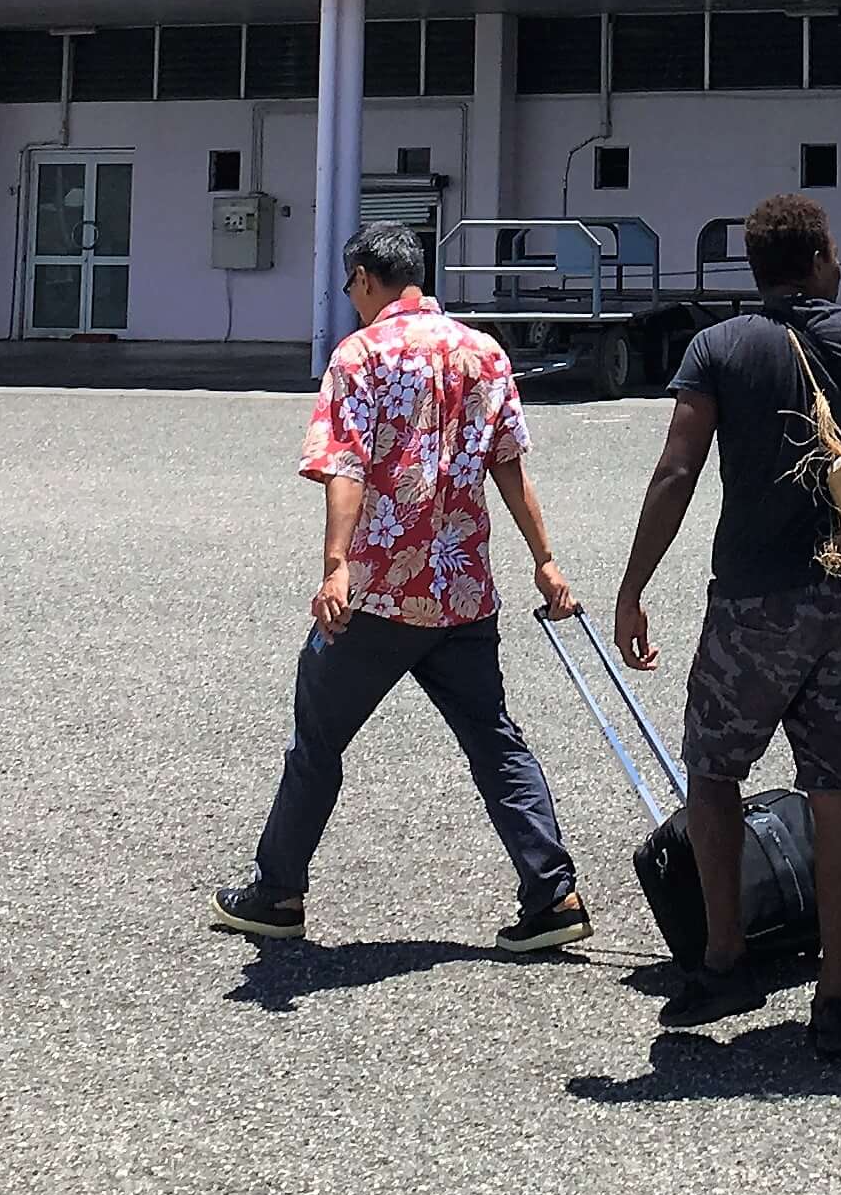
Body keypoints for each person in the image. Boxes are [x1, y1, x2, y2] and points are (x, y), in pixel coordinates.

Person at [613, 192, 841, 1061]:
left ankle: (724, 959)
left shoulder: (718, 347)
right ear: (820, 255)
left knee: (712, 772)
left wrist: (635, 585)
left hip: (751, 600)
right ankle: (835, 995)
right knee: (834, 785)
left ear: (755, 265)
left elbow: (676, 468)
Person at [209, 221, 594, 954]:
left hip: (383, 591)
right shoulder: (482, 352)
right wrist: (544, 559)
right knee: (493, 740)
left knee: (318, 739)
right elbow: (508, 462)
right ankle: (553, 894)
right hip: (462, 586)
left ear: (362, 279)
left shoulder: (361, 355)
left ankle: (277, 892)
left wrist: (334, 565)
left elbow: (346, 463)